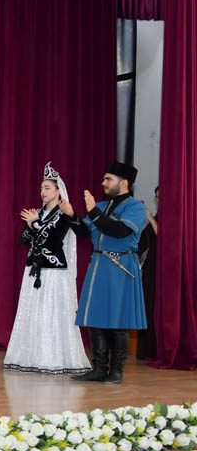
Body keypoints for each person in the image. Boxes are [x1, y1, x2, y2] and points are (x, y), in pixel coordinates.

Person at [3, 162, 91, 375]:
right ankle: (30, 355)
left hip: (53, 271)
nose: (43, 191)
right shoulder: (37, 213)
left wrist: (35, 224)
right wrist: (32, 225)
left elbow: (55, 240)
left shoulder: (63, 213)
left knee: (51, 313)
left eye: (48, 187)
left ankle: (52, 357)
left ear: (58, 191)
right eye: (41, 188)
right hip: (34, 269)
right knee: (33, 313)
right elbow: (23, 238)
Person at [71, 162, 148, 384]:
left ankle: (116, 371)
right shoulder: (102, 206)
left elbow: (118, 230)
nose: (103, 183)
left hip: (120, 265)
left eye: (108, 179)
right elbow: (84, 232)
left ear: (124, 183)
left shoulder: (136, 207)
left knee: (118, 320)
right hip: (99, 264)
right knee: (95, 317)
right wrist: (71, 215)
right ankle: (98, 368)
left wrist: (93, 211)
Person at [137, 186, 158, 360]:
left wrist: (150, 219)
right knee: (148, 308)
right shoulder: (155, 219)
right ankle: (148, 350)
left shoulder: (176, 219)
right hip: (151, 270)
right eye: (157, 196)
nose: (159, 200)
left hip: (165, 272)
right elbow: (141, 243)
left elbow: (165, 240)